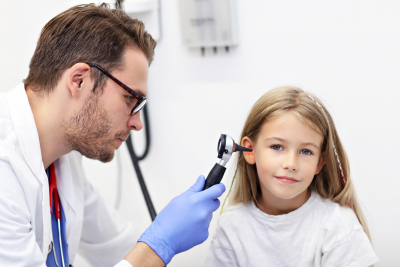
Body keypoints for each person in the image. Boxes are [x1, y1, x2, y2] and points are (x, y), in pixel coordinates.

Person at [0, 3, 225, 267]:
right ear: (79, 81)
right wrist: (160, 243)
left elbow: (116, 246)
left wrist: (164, 234)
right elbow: (145, 252)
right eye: (131, 98)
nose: (137, 124)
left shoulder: (61, 157)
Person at [204, 86, 379, 266]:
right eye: (277, 147)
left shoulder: (338, 226)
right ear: (250, 150)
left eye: (305, 151)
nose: (291, 164)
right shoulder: (232, 225)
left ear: (320, 162)